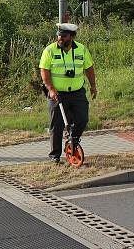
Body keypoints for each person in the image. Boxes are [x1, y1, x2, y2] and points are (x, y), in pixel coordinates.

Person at [39, 23, 97, 163]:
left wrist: (93, 86)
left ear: (71, 36)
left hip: (77, 93)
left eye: (63, 36)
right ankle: (55, 156)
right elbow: (44, 71)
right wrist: (51, 89)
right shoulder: (50, 50)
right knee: (56, 125)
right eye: (58, 35)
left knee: (82, 119)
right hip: (57, 94)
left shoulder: (82, 50)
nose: (60, 38)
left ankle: (72, 141)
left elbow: (89, 68)